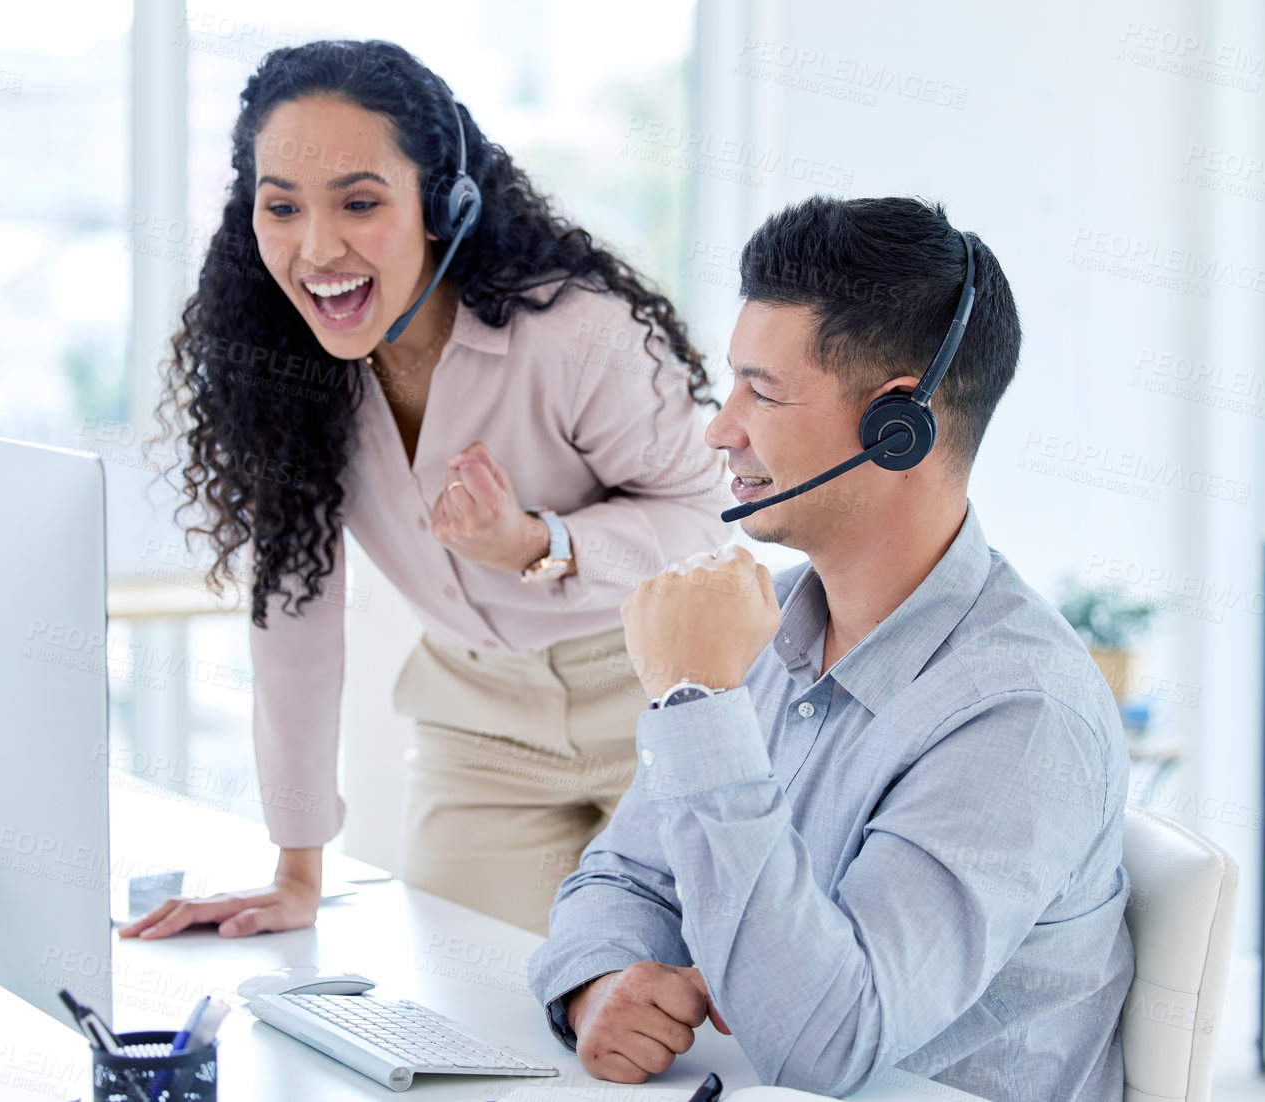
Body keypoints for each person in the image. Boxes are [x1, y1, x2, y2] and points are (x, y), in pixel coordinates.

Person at [526, 196, 1135, 1102]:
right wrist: (601, 982)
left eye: (761, 392)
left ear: (899, 427)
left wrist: (697, 702)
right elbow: (624, 878)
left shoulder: (1018, 712)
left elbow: (827, 1050)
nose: (719, 428)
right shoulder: (760, 629)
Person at [124, 40, 730, 939]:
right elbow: (294, 625)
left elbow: (706, 522)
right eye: (281, 207)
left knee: (656, 1022)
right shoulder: (285, 368)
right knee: (473, 1018)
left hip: (655, 693)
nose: (316, 247)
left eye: (359, 203)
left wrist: (539, 543)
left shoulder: (574, 336)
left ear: (445, 203)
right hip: (477, 722)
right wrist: (296, 869)